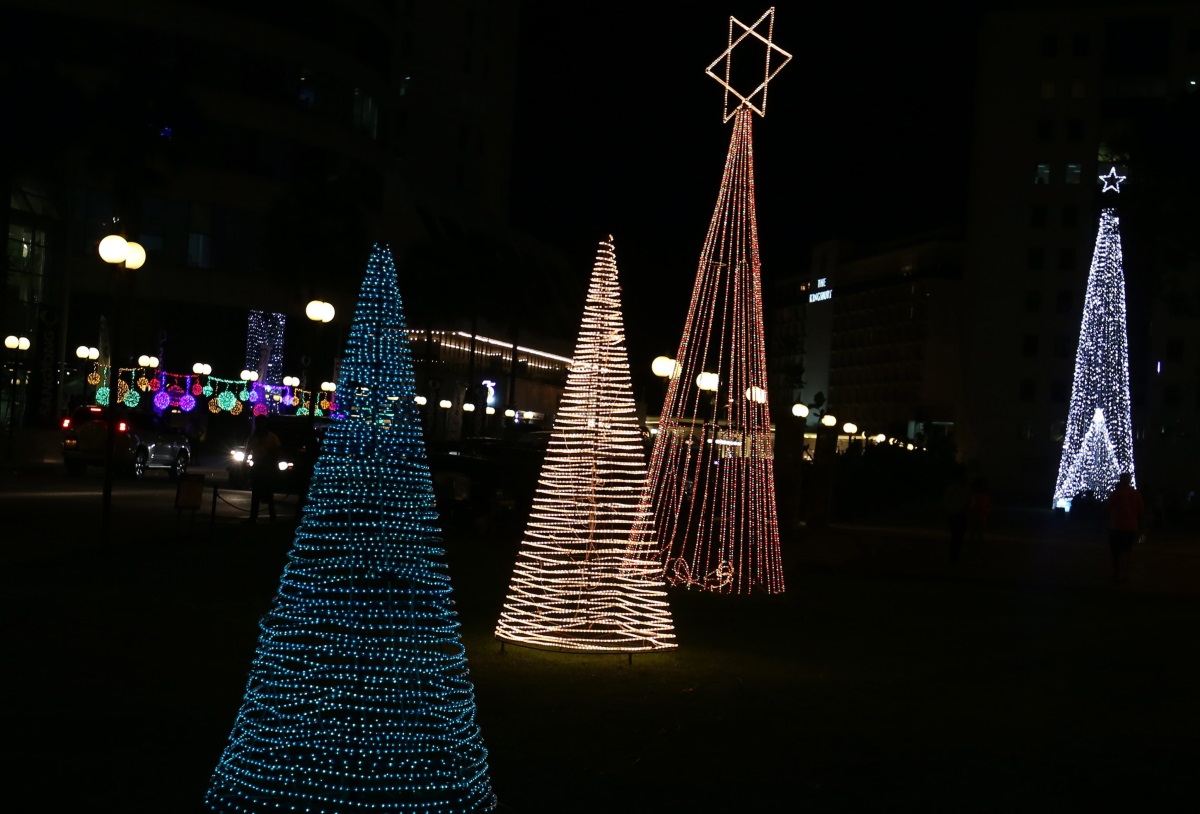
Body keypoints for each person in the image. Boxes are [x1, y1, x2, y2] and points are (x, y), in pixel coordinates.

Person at [1107, 472, 1144, 583]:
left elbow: (1107, 508)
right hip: (1131, 526)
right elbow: (1141, 511)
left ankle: (1117, 572)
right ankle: (1124, 573)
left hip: (1116, 526)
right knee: (1126, 550)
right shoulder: (1136, 494)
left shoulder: (1117, 493)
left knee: (1116, 551)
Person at [244, 420, 282, 524]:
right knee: (256, 494)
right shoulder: (254, 438)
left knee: (268, 494)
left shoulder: (271, 437)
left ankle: (271, 517)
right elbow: (247, 451)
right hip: (258, 466)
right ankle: (255, 517)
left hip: (267, 467)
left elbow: (277, 452)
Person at [942, 465, 970, 565]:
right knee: (957, 538)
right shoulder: (960, 488)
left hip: (955, 514)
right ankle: (954, 558)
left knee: (956, 537)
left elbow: (947, 501)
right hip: (958, 514)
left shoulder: (953, 487)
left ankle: (953, 558)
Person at [968, 476, 992, 546]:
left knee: (977, 533)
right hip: (978, 516)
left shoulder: (977, 496)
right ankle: (976, 545)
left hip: (979, 516)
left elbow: (988, 506)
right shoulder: (982, 496)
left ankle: (975, 545)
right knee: (977, 532)